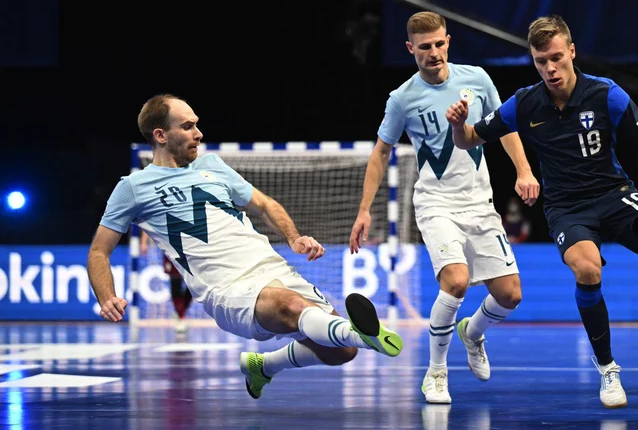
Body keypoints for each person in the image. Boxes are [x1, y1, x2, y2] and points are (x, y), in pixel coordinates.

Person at [445, 15, 638, 409]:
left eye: (557, 57)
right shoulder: (524, 103)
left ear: (572, 52)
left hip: (615, 192)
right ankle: (608, 369)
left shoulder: (606, 94)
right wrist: (459, 125)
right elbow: (468, 139)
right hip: (567, 207)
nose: (550, 68)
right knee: (588, 269)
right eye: (541, 61)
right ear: (534, 60)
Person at [88, 93, 404, 400]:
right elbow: (99, 251)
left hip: (273, 269)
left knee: (340, 352)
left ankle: (264, 366)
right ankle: (364, 334)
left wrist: (294, 238)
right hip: (227, 289)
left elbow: (265, 204)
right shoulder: (133, 188)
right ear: (160, 135)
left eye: (197, 124)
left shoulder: (213, 165)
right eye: (187, 127)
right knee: (293, 307)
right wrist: (106, 296)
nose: (198, 133)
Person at [349, 11, 539, 405]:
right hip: (435, 203)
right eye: (424, 48)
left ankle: (472, 332)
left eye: (438, 44)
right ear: (410, 49)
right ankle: (436, 371)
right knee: (454, 280)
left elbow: (505, 128)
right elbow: (381, 152)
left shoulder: (477, 80)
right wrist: (364, 209)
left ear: (448, 41)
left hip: (479, 202)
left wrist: (523, 170)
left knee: (510, 295)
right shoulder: (402, 99)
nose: (433, 53)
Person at [140, 231, 193, 334]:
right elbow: (146, 217)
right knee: (175, 282)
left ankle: (180, 312)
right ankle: (181, 317)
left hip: (190, 246)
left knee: (194, 284)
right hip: (171, 246)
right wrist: (143, 242)